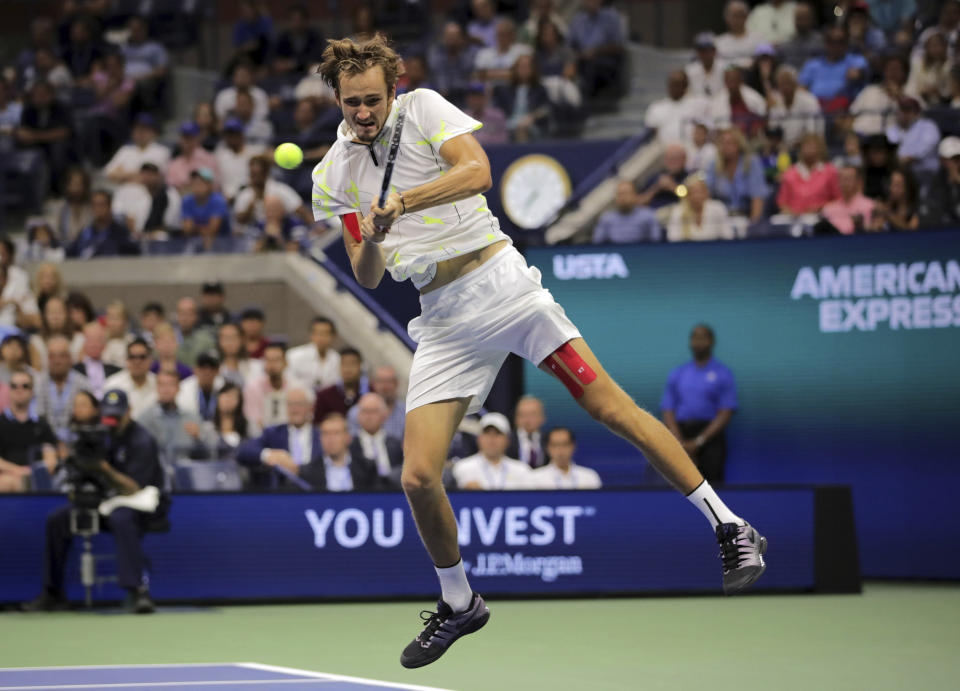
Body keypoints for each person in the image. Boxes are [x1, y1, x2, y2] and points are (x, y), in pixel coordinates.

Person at [312, 34, 766, 668]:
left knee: (610, 407)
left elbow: (477, 171)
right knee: (416, 476)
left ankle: (729, 525)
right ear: (336, 95)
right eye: (352, 102)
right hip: (442, 319)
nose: (364, 112)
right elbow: (365, 272)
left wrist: (407, 201)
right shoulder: (335, 173)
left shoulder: (424, 111)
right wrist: (374, 233)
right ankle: (460, 601)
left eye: (373, 100)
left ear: (394, 88)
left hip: (504, 285)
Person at [21, 389, 165, 613]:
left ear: (129, 411)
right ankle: (53, 593)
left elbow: (134, 488)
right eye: (109, 414)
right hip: (103, 503)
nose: (112, 420)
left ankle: (137, 591)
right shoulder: (98, 436)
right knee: (58, 520)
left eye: (117, 414)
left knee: (122, 518)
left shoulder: (142, 440)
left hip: (139, 506)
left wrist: (102, 468)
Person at [661, 325, 737, 484]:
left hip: (710, 437)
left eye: (703, 338)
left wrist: (699, 441)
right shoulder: (678, 373)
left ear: (711, 341)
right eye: (695, 338)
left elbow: (726, 412)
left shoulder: (723, 373)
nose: (698, 342)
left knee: (713, 487)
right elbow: (668, 410)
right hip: (681, 434)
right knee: (679, 485)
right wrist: (680, 442)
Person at [139, 370, 212, 468]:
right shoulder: (144, 419)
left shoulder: (192, 418)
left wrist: (198, 439)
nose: (166, 390)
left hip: (186, 472)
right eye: (162, 385)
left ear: (178, 388)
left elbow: (207, 456)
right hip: (154, 472)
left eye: (170, 385)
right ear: (157, 388)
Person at [0, 369, 58, 493]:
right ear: (9, 390)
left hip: (38, 477)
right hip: (7, 477)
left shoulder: (42, 424)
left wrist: (34, 471)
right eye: (14, 386)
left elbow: (50, 457)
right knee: (8, 482)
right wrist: (19, 472)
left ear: (32, 392)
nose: (19, 389)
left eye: (25, 386)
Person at [451, 412, 535, 490]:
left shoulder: (522, 470)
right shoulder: (462, 468)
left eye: (497, 433)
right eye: (487, 433)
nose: (492, 439)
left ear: (507, 439)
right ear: (479, 438)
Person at [705, 128, 769, 222]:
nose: (725, 146)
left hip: (747, 217)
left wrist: (754, 226)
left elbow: (757, 197)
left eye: (729, 143)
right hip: (722, 219)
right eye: (722, 143)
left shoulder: (752, 162)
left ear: (739, 145)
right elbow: (707, 193)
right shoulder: (714, 165)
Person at [798, 25, 868, 110]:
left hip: (844, 109)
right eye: (831, 42)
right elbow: (801, 89)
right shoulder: (812, 64)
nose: (836, 46)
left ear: (847, 43)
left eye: (840, 42)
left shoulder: (855, 60)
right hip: (815, 109)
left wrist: (858, 74)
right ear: (826, 43)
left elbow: (861, 72)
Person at [34, 335, 90, 441]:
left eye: (62, 356)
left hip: (77, 442)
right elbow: (35, 417)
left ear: (70, 358)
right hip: (43, 443)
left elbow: (88, 419)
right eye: (52, 356)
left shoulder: (83, 384)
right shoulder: (37, 383)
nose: (57, 361)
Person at [234, 155, 312, 228]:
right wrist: (251, 205)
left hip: (281, 232)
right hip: (253, 236)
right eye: (253, 174)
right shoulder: (245, 194)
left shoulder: (281, 190)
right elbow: (239, 220)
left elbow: (300, 210)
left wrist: (315, 226)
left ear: (266, 172)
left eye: (258, 173)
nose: (255, 178)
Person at [568, 0, 626, 99]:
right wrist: (577, 55)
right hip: (582, 60)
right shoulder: (578, 20)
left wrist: (596, 51)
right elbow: (569, 44)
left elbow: (618, 46)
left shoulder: (611, 17)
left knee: (591, 66)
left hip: (605, 61)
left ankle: (583, 102)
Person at [776, 133, 840, 215]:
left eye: (813, 146)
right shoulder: (789, 173)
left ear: (820, 149)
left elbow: (839, 200)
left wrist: (821, 208)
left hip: (822, 218)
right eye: (806, 145)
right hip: (794, 219)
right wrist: (791, 212)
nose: (809, 149)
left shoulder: (830, 171)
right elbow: (782, 202)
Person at [850, 54, 911, 137]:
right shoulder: (869, 90)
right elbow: (852, 113)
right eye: (889, 69)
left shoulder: (910, 94)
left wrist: (899, 97)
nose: (892, 72)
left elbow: (914, 120)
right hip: (861, 135)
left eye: (896, 69)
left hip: (887, 140)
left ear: (905, 73)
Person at [67, 190, 141, 259]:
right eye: (95, 205)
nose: (98, 209)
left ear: (109, 206)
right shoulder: (85, 233)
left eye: (101, 205)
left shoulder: (120, 233)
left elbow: (134, 253)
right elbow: (71, 253)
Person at [113, 163, 182, 235]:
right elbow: (130, 220)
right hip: (140, 235)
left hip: (165, 235)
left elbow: (170, 224)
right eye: (144, 174)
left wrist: (150, 234)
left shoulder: (170, 194)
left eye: (151, 174)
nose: (147, 178)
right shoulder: (136, 193)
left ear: (158, 176)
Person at [644, 70, 710, 145]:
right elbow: (650, 135)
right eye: (672, 84)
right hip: (665, 151)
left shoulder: (699, 105)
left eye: (678, 84)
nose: (674, 88)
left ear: (686, 86)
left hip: (692, 151)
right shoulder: (656, 108)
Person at [351, 392, 403, 488]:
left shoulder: (396, 444)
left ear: (384, 415)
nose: (368, 416)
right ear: (358, 416)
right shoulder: (350, 446)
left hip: (393, 494)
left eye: (373, 411)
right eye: (364, 411)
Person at [768, 64, 823, 148]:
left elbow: (812, 132)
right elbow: (773, 129)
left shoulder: (809, 101)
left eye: (788, 83)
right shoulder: (776, 101)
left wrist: (798, 144)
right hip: (783, 148)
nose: (785, 87)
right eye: (782, 84)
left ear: (795, 84)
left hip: (807, 146)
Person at [104, 113, 170, 184]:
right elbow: (109, 173)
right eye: (137, 129)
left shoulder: (162, 151)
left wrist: (123, 174)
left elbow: (154, 178)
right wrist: (136, 175)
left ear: (154, 132)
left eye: (145, 129)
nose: (140, 132)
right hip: (124, 191)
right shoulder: (125, 150)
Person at [666, 173, 735, 241]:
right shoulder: (678, 212)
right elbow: (673, 239)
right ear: (687, 195)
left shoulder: (718, 208)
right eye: (693, 192)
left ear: (706, 193)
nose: (696, 196)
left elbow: (728, 236)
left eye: (699, 192)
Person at [886, 96, 942, 178]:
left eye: (908, 111)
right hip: (900, 171)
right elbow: (889, 146)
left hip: (924, 170)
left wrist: (909, 158)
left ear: (917, 112)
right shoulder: (893, 129)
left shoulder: (927, 125)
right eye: (902, 110)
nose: (904, 114)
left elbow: (928, 145)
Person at [530, 426, 602, 489]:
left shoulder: (589, 477)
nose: (560, 450)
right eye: (555, 445)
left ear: (573, 446)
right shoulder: (536, 478)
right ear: (548, 448)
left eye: (565, 444)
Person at [104, 338, 158, 420]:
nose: (137, 361)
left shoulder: (159, 383)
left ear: (150, 360)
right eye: (132, 357)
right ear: (126, 359)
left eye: (142, 357)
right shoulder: (113, 385)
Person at [215, 117, 267, 202]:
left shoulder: (253, 151)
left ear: (241, 135)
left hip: (249, 197)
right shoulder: (221, 154)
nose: (231, 138)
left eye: (234, 134)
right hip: (227, 200)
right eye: (228, 134)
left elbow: (269, 154)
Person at [348, 364, 406, 440]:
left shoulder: (406, 412)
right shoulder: (357, 412)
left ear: (396, 384)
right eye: (380, 381)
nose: (385, 386)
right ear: (373, 384)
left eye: (389, 381)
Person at [592, 180, 661, 244]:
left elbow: (656, 243)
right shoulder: (606, 218)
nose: (623, 198)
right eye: (619, 194)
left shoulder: (648, 216)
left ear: (635, 195)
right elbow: (597, 244)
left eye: (626, 193)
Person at [243, 341, 292, 429]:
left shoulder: (295, 388)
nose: (271, 365)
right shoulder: (253, 387)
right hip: (262, 436)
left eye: (276, 360)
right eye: (268, 360)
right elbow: (254, 421)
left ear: (286, 363)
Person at [181, 168, 231, 250]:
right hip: (195, 244)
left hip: (222, 244)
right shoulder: (187, 201)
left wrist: (195, 228)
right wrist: (203, 229)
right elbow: (187, 230)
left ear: (210, 185)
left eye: (201, 182)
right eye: (194, 182)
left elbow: (212, 231)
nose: (196, 185)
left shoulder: (218, 201)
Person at [313, 347, 368, 423]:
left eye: (352, 364)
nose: (347, 369)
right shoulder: (324, 396)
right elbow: (317, 425)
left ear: (360, 366)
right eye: (344, 364)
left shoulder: (371, 393)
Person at [287, 316, 341, 391]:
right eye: (318, 333)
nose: (321, 338)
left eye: (325, 333)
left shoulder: (337, 359)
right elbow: (288, 381)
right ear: (311, 335)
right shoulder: (294, 356)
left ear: (333, 336)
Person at [474, 18, 533, 86]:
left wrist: (489, 74)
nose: (502, 37)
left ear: (513, 35)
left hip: (514, 90)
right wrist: (510, 73)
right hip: (489, 91)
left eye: (506, 34)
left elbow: (524, 74)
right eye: (500, 34)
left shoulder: (523, 51)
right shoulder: (484, 53)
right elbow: (477, 75)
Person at [166, 121, 220, 193]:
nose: (187, 141)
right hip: (181, 200)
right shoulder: (174, 164)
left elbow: (215, 185)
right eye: (185, 137)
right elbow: (171, 188)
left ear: (198, 138)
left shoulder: (208, 159)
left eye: (191, 138)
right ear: (180, 139)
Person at [821, 165, 876, 234]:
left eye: (849, 179)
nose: (845, 182)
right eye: (842, 179)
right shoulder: (828, 209)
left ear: (859, 182)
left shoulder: (871, 206)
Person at [636, 143, 689, 209]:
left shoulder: (689, 176)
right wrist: (656, 188)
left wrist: (673, 187)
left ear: (684, 159)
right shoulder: (656, 177)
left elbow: (692, 197)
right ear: (665, 160)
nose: (672, 162)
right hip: (653, 214)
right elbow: (639, 202)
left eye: (676, 158)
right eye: (669, 159)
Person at [905, 30, 952, 105]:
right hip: (920, 102)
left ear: (945, 46)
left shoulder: (950, 65)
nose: (935, 49)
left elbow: (951, 91)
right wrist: (922, 92)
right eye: (932, 46)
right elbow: (910, 87)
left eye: (938, 45)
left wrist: (938, 93)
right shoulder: (918, 64)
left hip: (944, 104)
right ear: (926, 48)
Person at [74, 321, 119, 398]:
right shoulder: (74, 371)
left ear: (105, 344)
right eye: (90, 340)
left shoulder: (116, 371)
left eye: (98, 340)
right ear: (83, 343)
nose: (94, 344)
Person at [207, 382, 251, 457]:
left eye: (233, 396)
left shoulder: (249, 429)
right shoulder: (208, 430)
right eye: (225, 395)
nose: (228, 399)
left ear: (239, 401)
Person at [176, 350, 223, 421]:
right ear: (195, 369)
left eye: (212, 368)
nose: (207, 371)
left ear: (218, 371)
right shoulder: (183, 387)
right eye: (203, 367)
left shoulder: (224, 387)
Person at [715, 1, 762, 68]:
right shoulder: (718, 41)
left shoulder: (758, 38)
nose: (737, 19)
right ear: (726, 18)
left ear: (746, 16)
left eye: (740, 15)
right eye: (734, 16)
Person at [54, 168, 94, 246]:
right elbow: (56, 233)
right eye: (74, 184)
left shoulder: (93, 207)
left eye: (80, 184)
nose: (77, 188)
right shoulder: (60, 208)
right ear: (68, 186)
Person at [173, 297, 217, 369]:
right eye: (182, 313)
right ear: (177, 315)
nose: (185, 318)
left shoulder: (206, 340)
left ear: (195, 316)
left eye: (189, 313)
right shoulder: (168, 338)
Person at [778, 2, 823, 69]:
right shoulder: (787, 42)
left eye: (805, 18)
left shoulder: (820, 41)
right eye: (799, 18)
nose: (802, 22)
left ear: (811, 19)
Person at [218, 322, 262, 388]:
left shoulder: (257, 366)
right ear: (219, 341)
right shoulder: (213, 369)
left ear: (242, 340)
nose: (229, 342)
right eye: (225, 338)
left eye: (233, 337)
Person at [508, 395, 547, 468]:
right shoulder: (507, 441)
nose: (527, 420)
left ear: (543, 418)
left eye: (533, 414)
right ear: (515, 418)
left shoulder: (549, 441)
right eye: (523, 415)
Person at [686, 33, 727, 98]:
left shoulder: (725, 68)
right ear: (697, 52)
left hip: (720, 105)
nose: (706, 54)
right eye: (702, 51)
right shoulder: (689, 70)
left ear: (714, 51)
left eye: (708, 50)